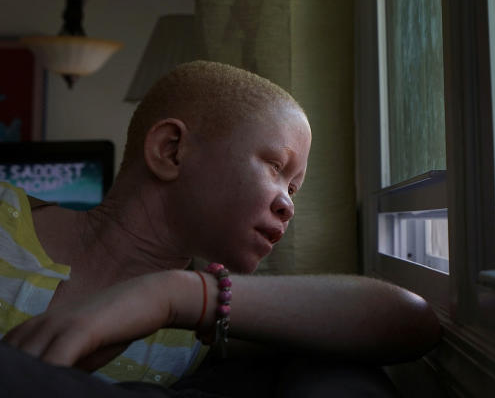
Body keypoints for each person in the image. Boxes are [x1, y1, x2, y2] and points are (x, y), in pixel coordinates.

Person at [0, 60, 440, 395]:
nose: (288, 205)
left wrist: (176, 295)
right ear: (171, 150)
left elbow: (410, 321)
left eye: (295, 188)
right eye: (275, 167)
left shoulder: (202, 324)